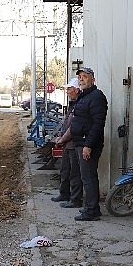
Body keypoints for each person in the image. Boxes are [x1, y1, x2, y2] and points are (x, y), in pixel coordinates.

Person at [69, 67, 108, 221]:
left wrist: (88, 145)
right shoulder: (84, 96)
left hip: (88, 144)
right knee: (86, 176)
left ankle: (92, 210)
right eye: (80, 78)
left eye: (85, 77)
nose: (82, 80)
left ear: (93, 79)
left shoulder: (97, 97)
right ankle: (91, 208)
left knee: (89, 177)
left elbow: (98, 124)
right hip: (81, 143)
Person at [51, 77, 83, 208]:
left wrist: (62, 139)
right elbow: (66, 124)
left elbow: (73, 127)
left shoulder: (80, 105)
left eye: (69, 89)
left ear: (76, 90)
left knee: (75, 173)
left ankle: (75, 200)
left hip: (74, 144)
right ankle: (64, 194)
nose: (67, 91)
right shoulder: (72, 104)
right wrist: (60, 135)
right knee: (65, 170)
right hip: (67, 144)